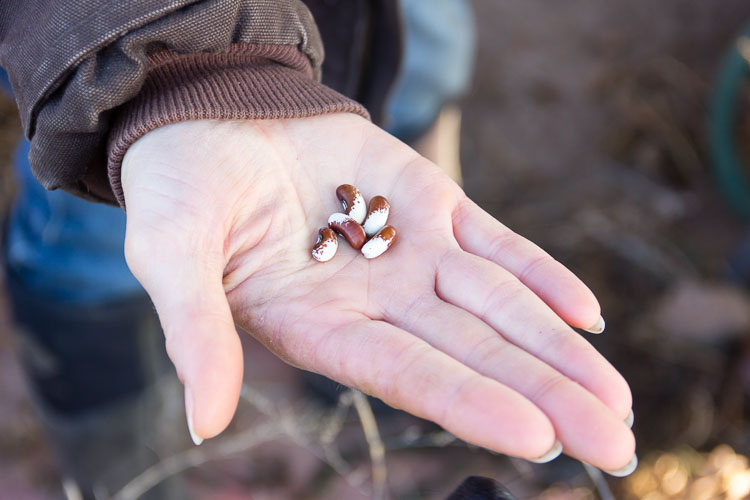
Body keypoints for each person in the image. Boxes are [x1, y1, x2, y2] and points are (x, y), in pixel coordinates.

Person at [0, 0, 636, 497]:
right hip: (105, 42)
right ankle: (111, 442)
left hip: (354, 29)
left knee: (421, 65)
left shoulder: (362, 210)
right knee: (92, 244)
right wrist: (171, 75)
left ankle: (361, 391)